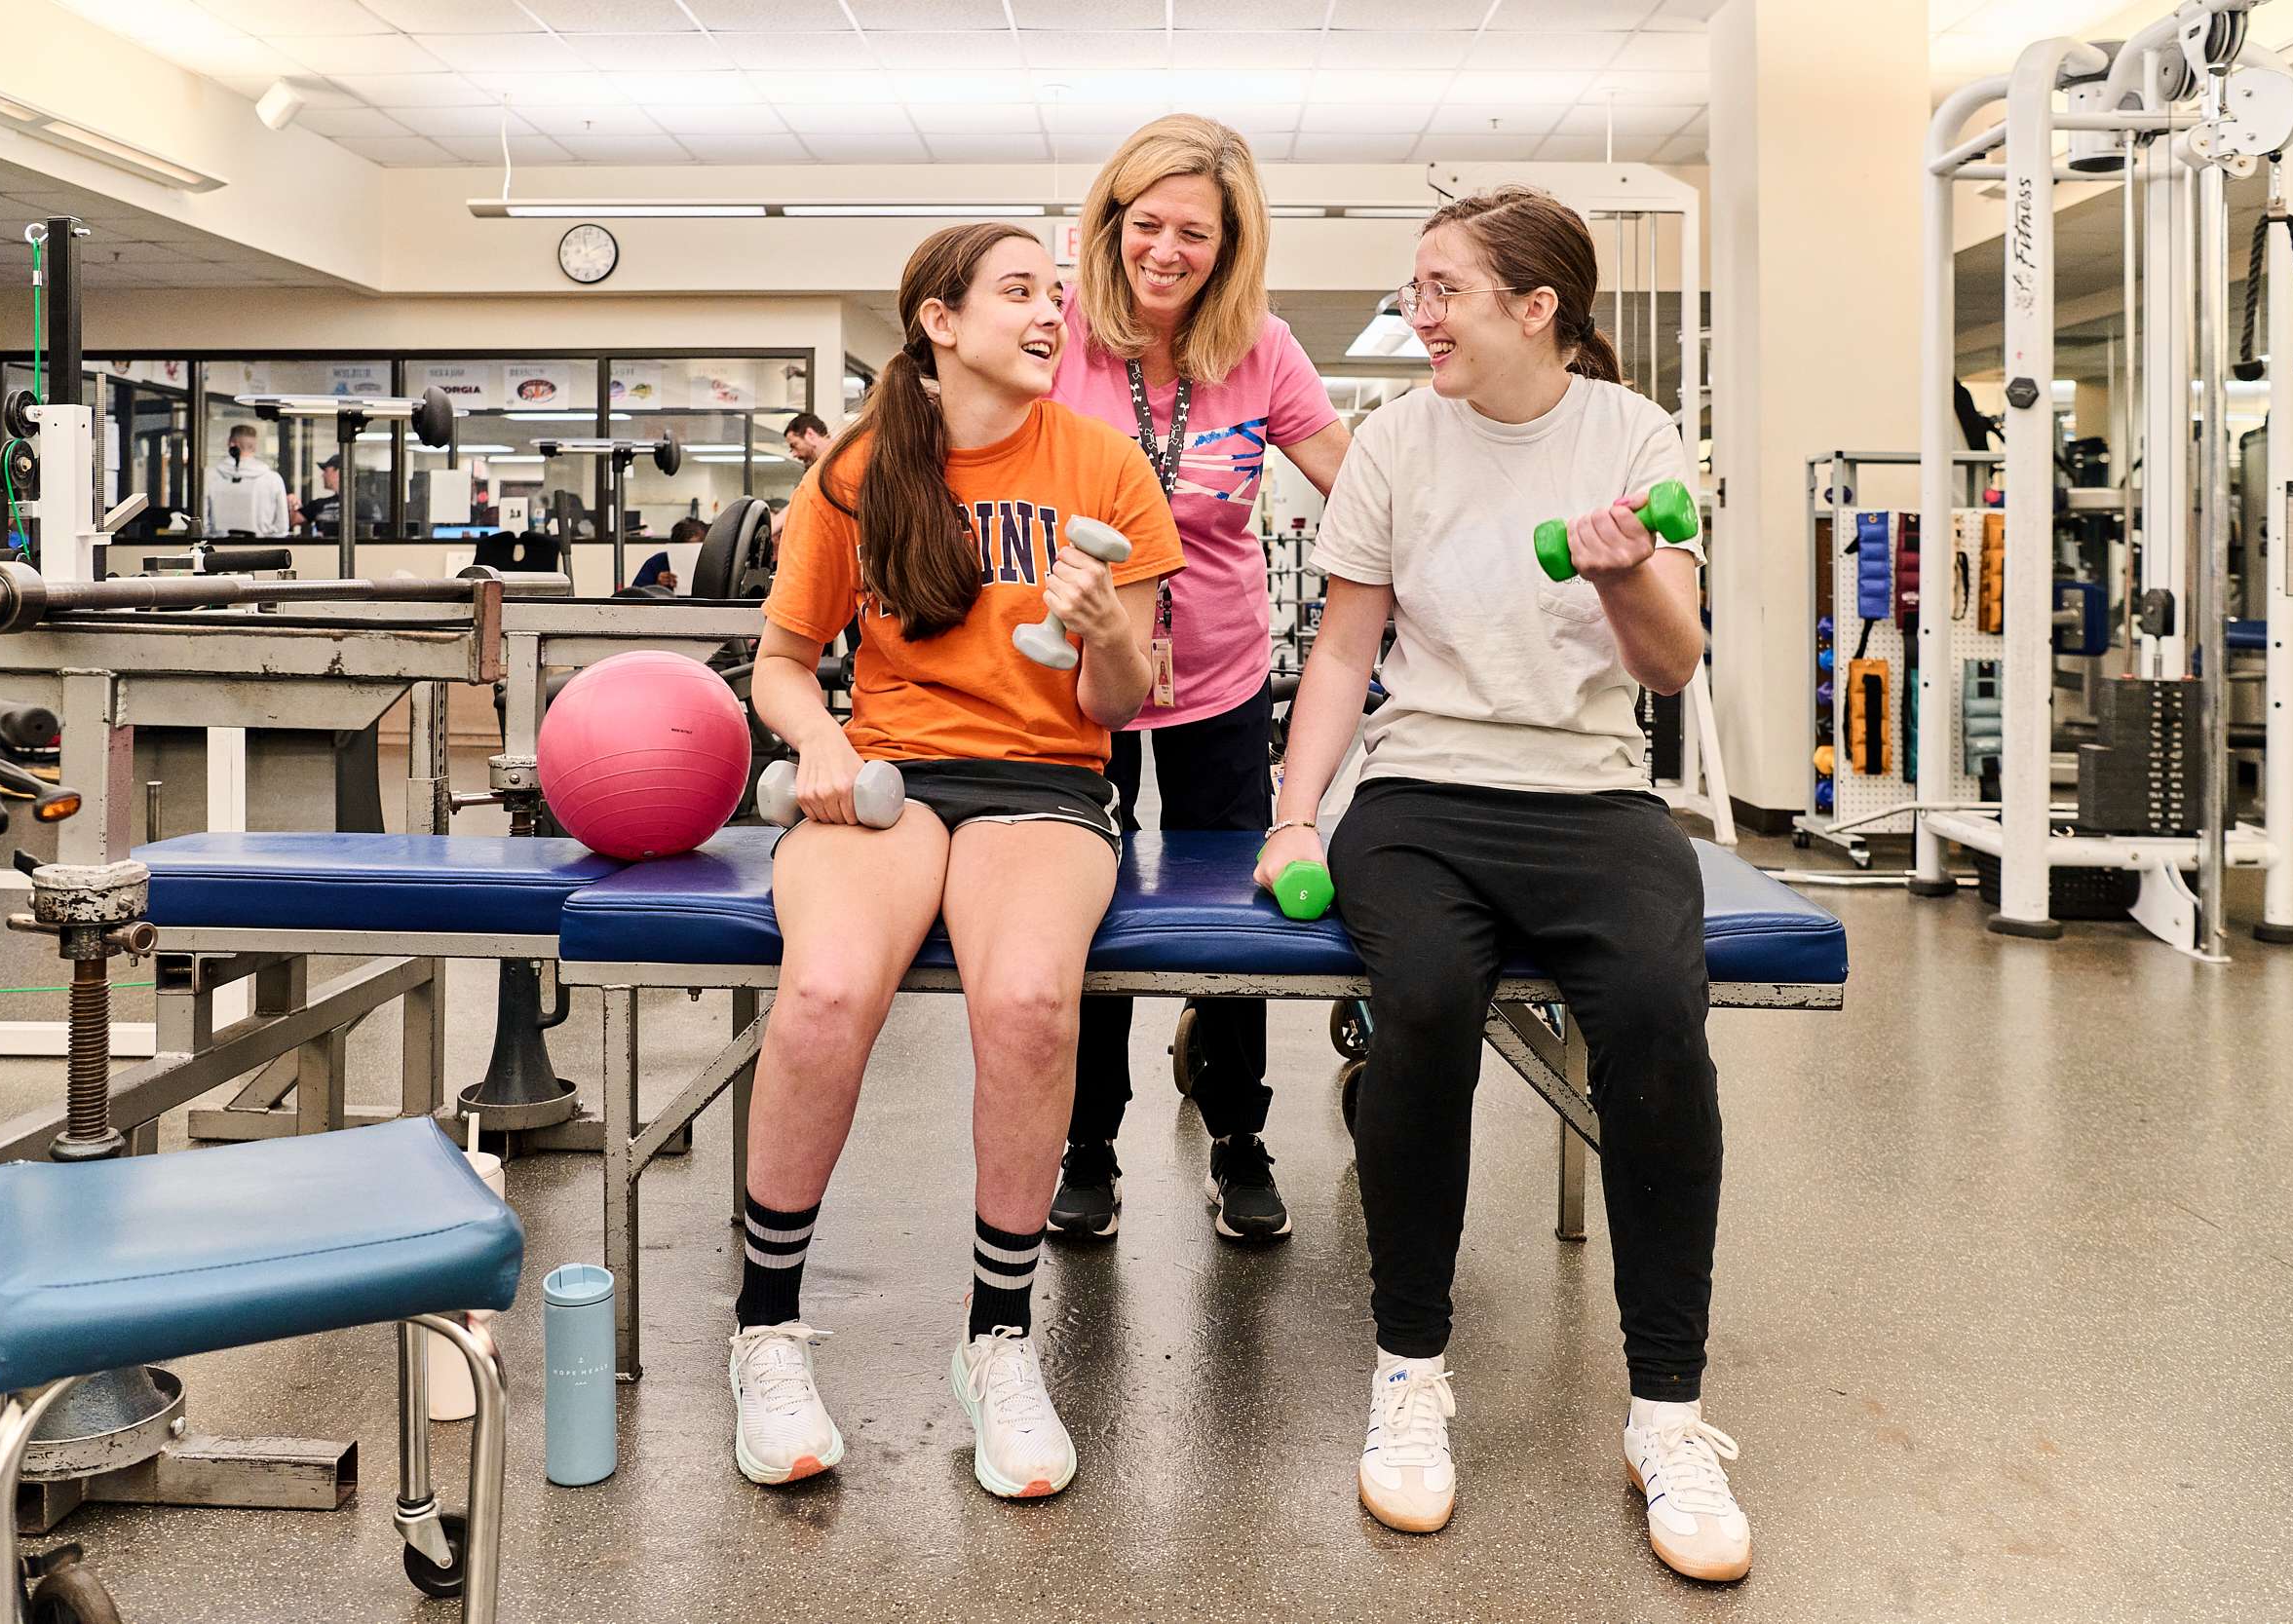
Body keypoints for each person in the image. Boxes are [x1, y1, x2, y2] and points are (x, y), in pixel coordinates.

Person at [1259, 186, 1744, 1577]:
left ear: (1538, 308)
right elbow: (1346, 649)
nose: (1419, 315)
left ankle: (1667, 1413)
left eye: (1444, 290)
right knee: (1420, 1002)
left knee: (1655, 1014)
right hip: (1421, 794)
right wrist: (1295, 819)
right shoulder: (1395, 441)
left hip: (1592, 793)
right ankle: (1409, 1371)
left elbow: (1669, 662)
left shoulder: (1633, 435)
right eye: (1415, 289)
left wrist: (1624, 573)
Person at [731, 222, 1182, 1501]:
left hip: (1044, 779)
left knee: (1031, 1003)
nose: (1051, 314)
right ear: (939, 321)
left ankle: (998, 1339)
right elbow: (780, 661)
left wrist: (1102, 633)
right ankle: (765, 1330)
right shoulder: (860, 467)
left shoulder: (1104, 465)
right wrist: (821, 739)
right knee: (825, 993)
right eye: (1019, 292)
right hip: (887, 776)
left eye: (1056, 296)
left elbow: (1118, 699)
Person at [1043, 114, 1351, 1246]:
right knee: (1082, 898)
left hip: (1219, 673)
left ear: (1229, 247)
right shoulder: (1057, 332)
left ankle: (1236, 1132)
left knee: (1234, 906)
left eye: (1195, 233)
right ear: (1112, 220)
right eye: (1147, 223)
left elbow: (1356, 484)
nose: (1165, 250)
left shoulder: (1260, 347)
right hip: (1080, 673)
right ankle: (1087, 1140)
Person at [206, 424, 291, 537]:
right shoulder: (273, 479)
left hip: (219, 546)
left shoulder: (210, 477)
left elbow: (202, 523)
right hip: (261, 546)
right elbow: (282, 527)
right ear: (254, 447)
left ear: (231, 444)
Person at [299, 454, 379, 535]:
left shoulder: (365, 505)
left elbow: (369, 533)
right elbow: (294, 519)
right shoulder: (318, 505)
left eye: (326, 471)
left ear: (339, 472)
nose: (323, 475)